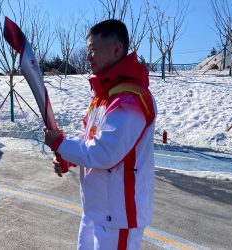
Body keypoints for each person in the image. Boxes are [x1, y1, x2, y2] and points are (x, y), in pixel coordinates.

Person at [44, 19, 157, 250]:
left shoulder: (131, 99)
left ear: (117, 49)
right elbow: (90, 142)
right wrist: (68, 158)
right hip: (96, 210)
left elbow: (105, 153)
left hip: (119, 216)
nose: (88, 58)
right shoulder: (103, 97)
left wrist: (61, 144)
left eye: (94, 50)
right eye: (88, 50)